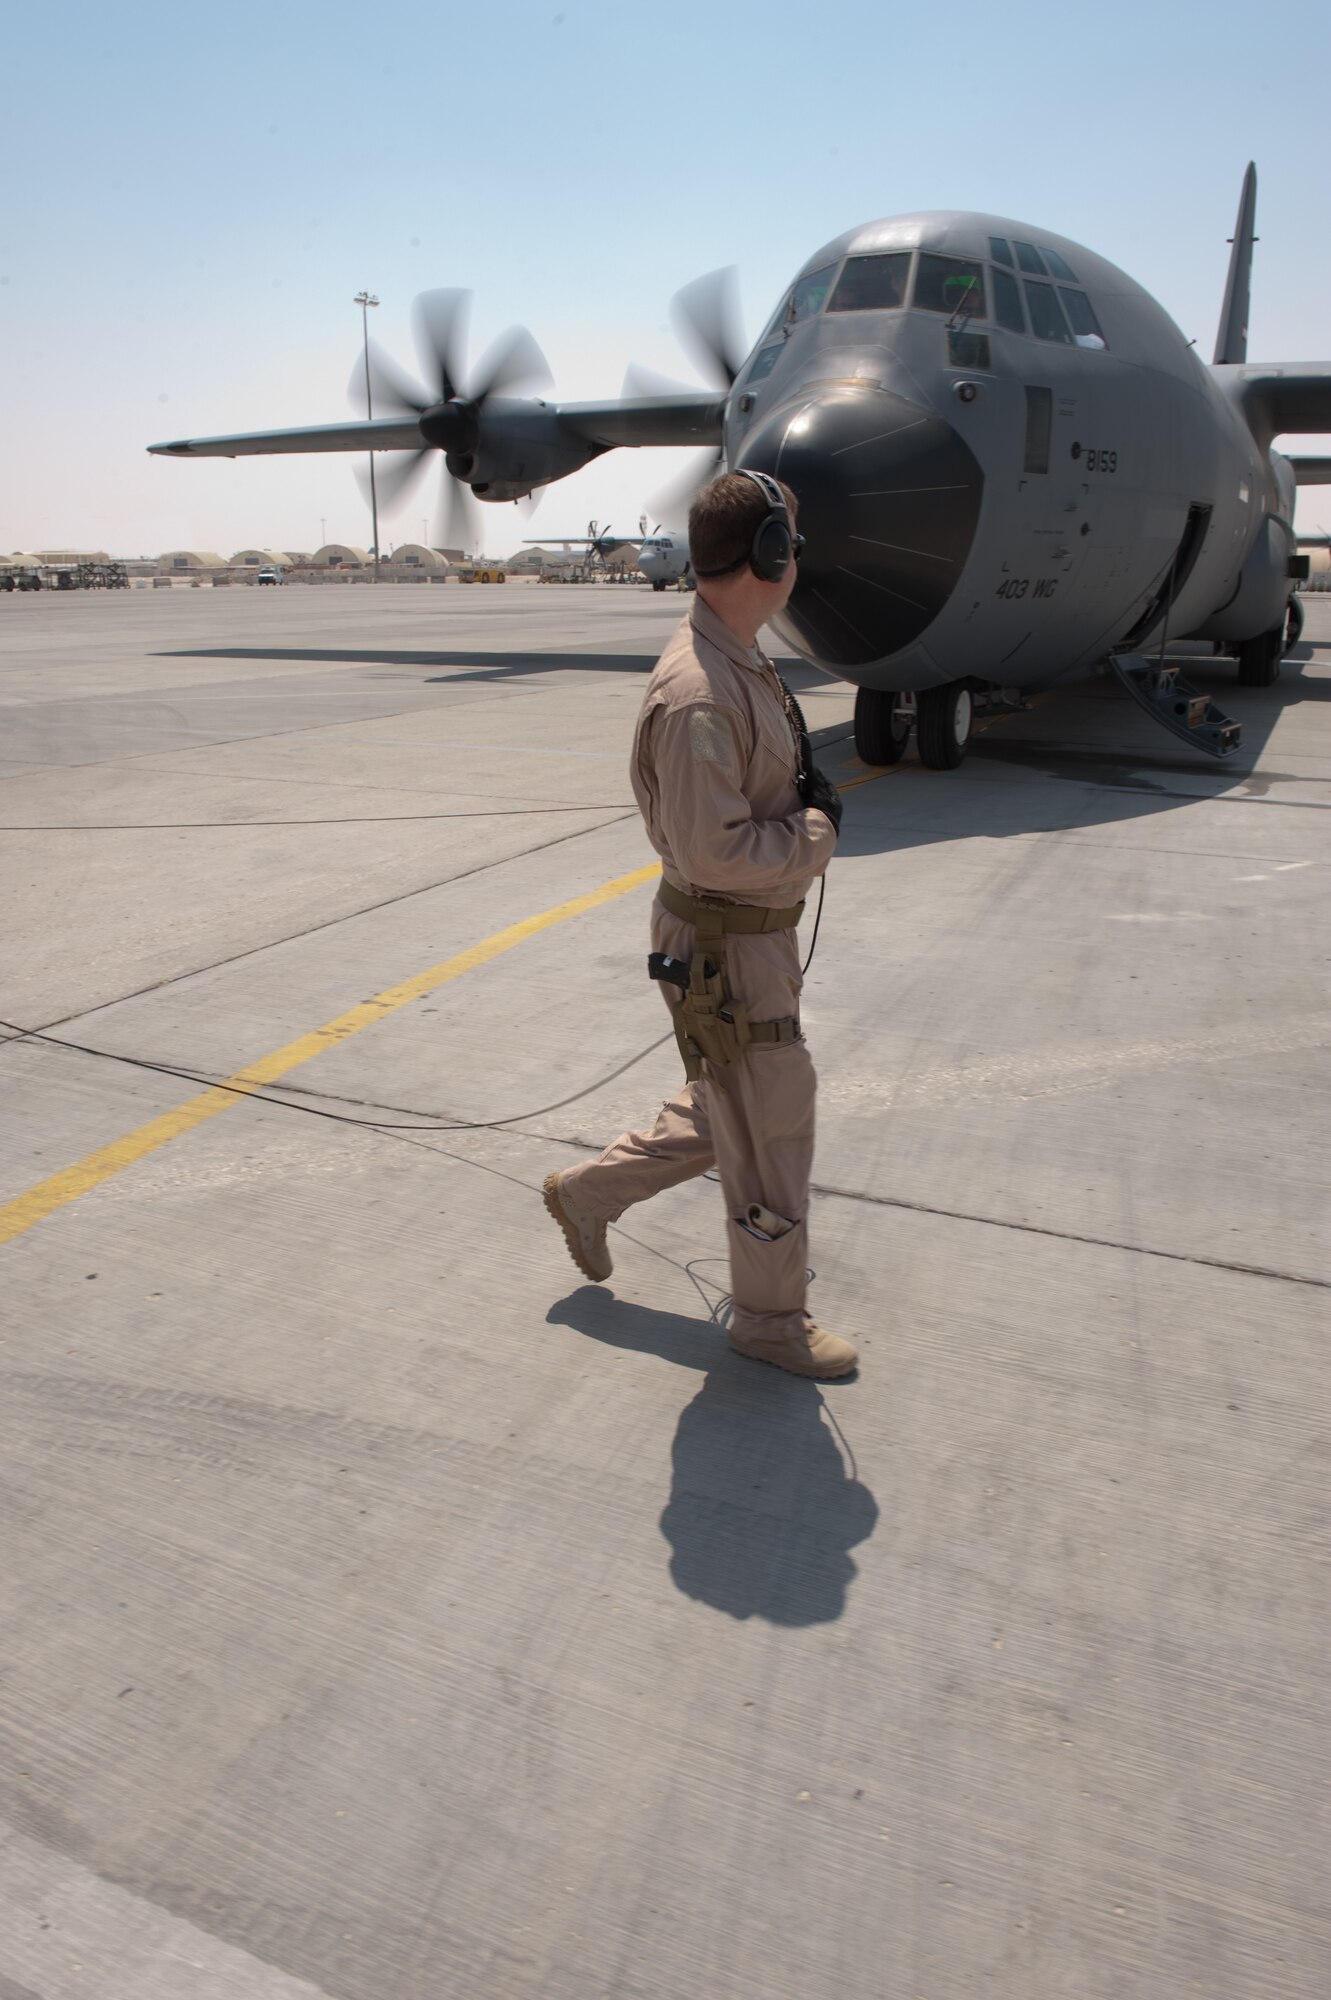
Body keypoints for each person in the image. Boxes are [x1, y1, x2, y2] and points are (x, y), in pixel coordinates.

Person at [543, 470, 856, 1380]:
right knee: (772, 1115)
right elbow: (717, 851)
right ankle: (767, 1319)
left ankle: (588, 1194)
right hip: (727, 935)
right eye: (789, 541)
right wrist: (815, 831)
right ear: (766, 555)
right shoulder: (699, 692)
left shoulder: (735, 654)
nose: (798, 558)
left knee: (738, 1102)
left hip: (745, 934)